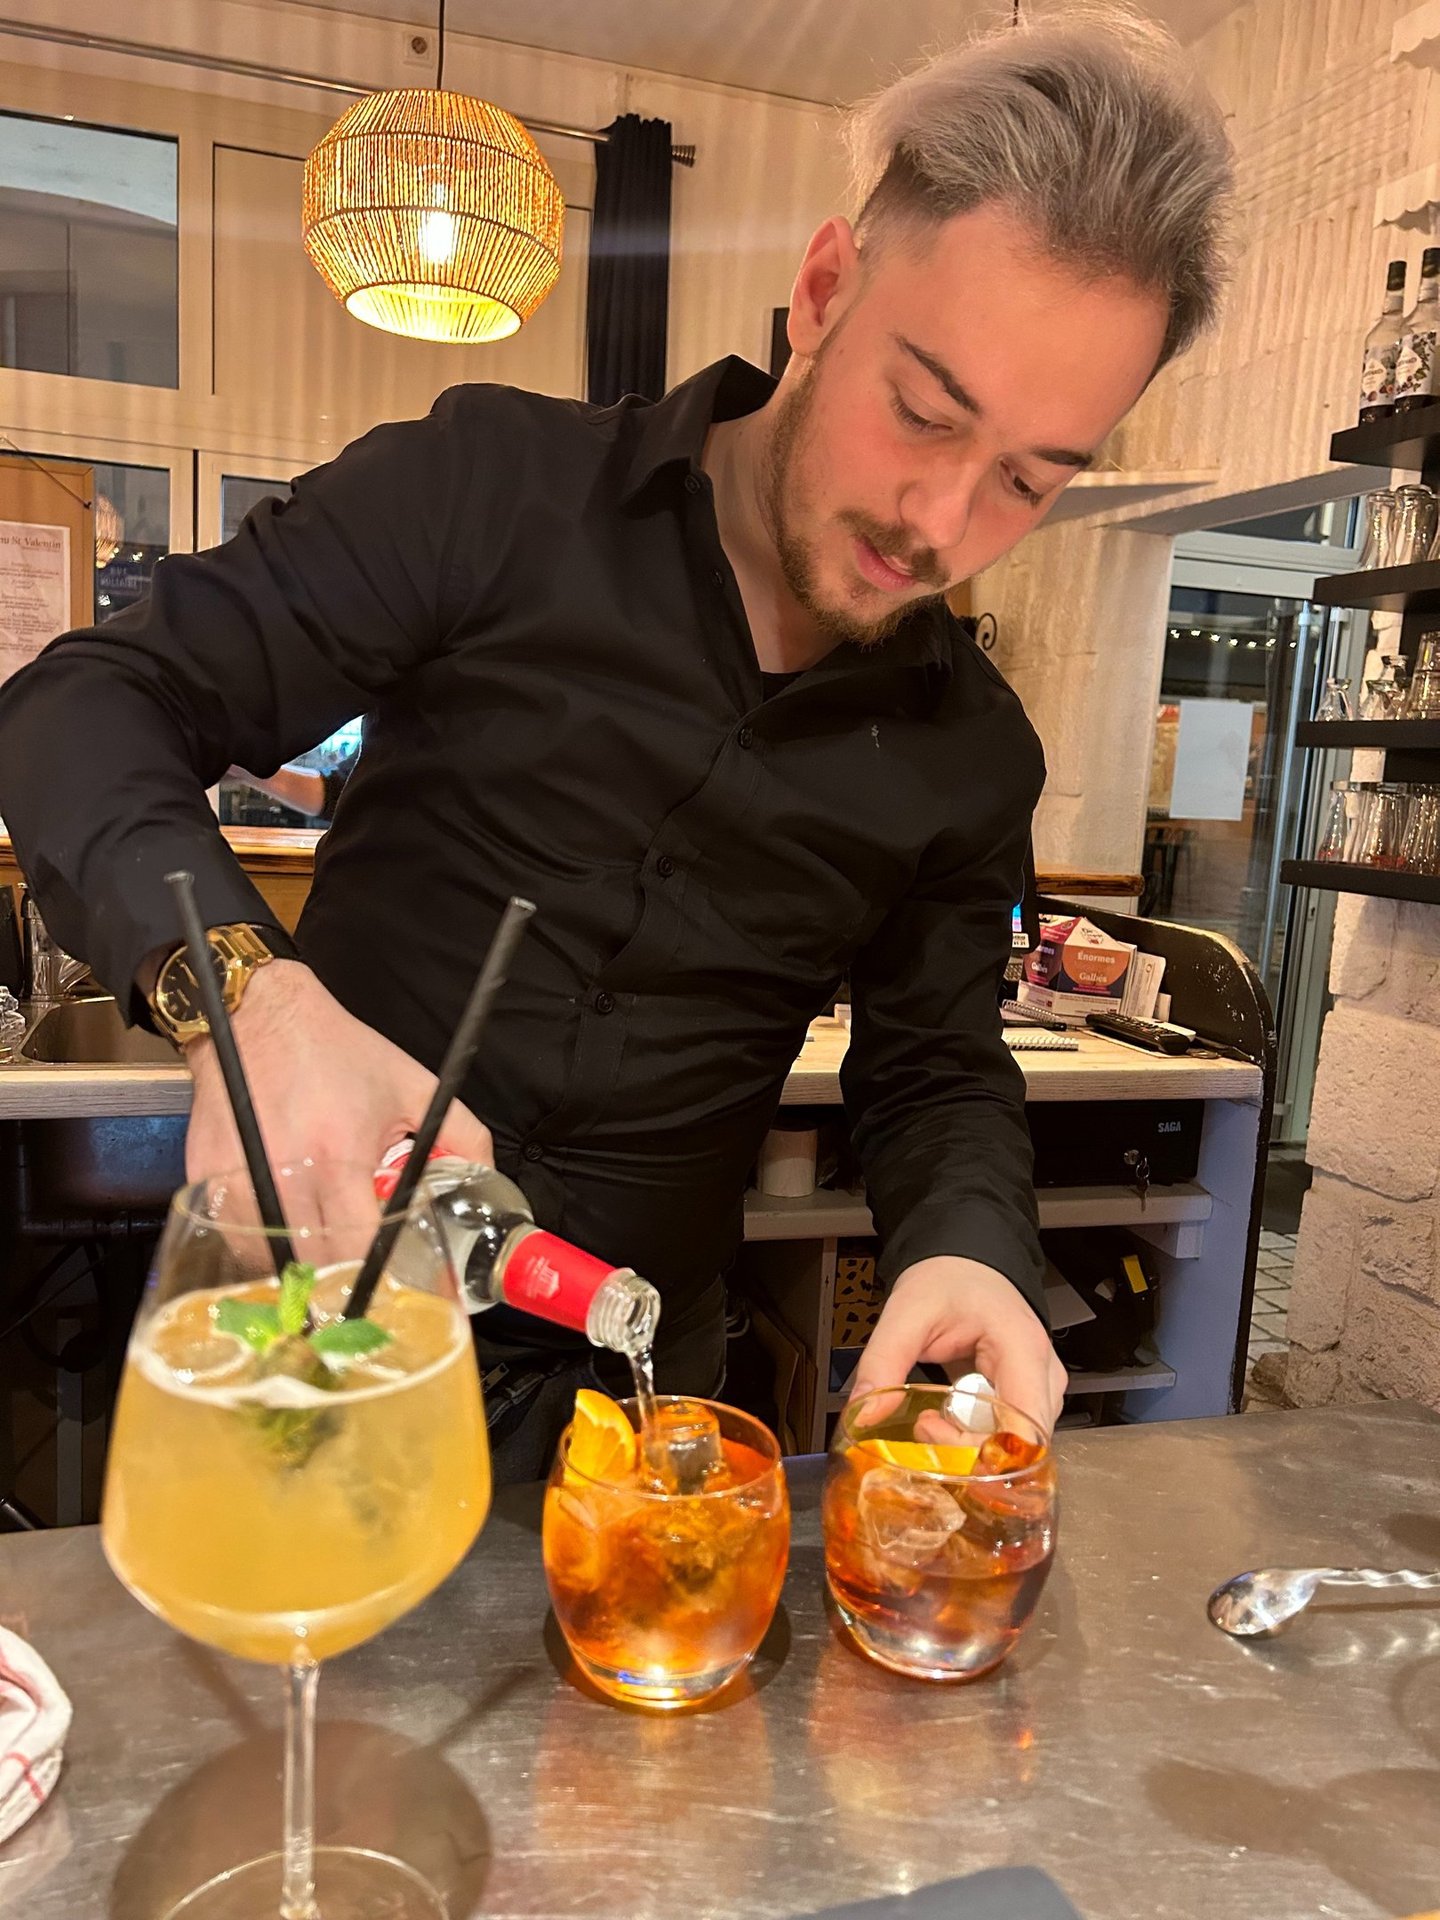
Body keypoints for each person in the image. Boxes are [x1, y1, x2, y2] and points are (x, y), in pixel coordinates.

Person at [0, 7, 1231, 1480]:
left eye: (1029, 479)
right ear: (824, 291)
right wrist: (252, 1003)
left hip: (631, 1390)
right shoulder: (488, 493)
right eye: (922, 413)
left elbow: (937, 1072)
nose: (942, 524)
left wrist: (969, 1247)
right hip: (315, 1342)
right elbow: (81, 706)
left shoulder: (969, 752)